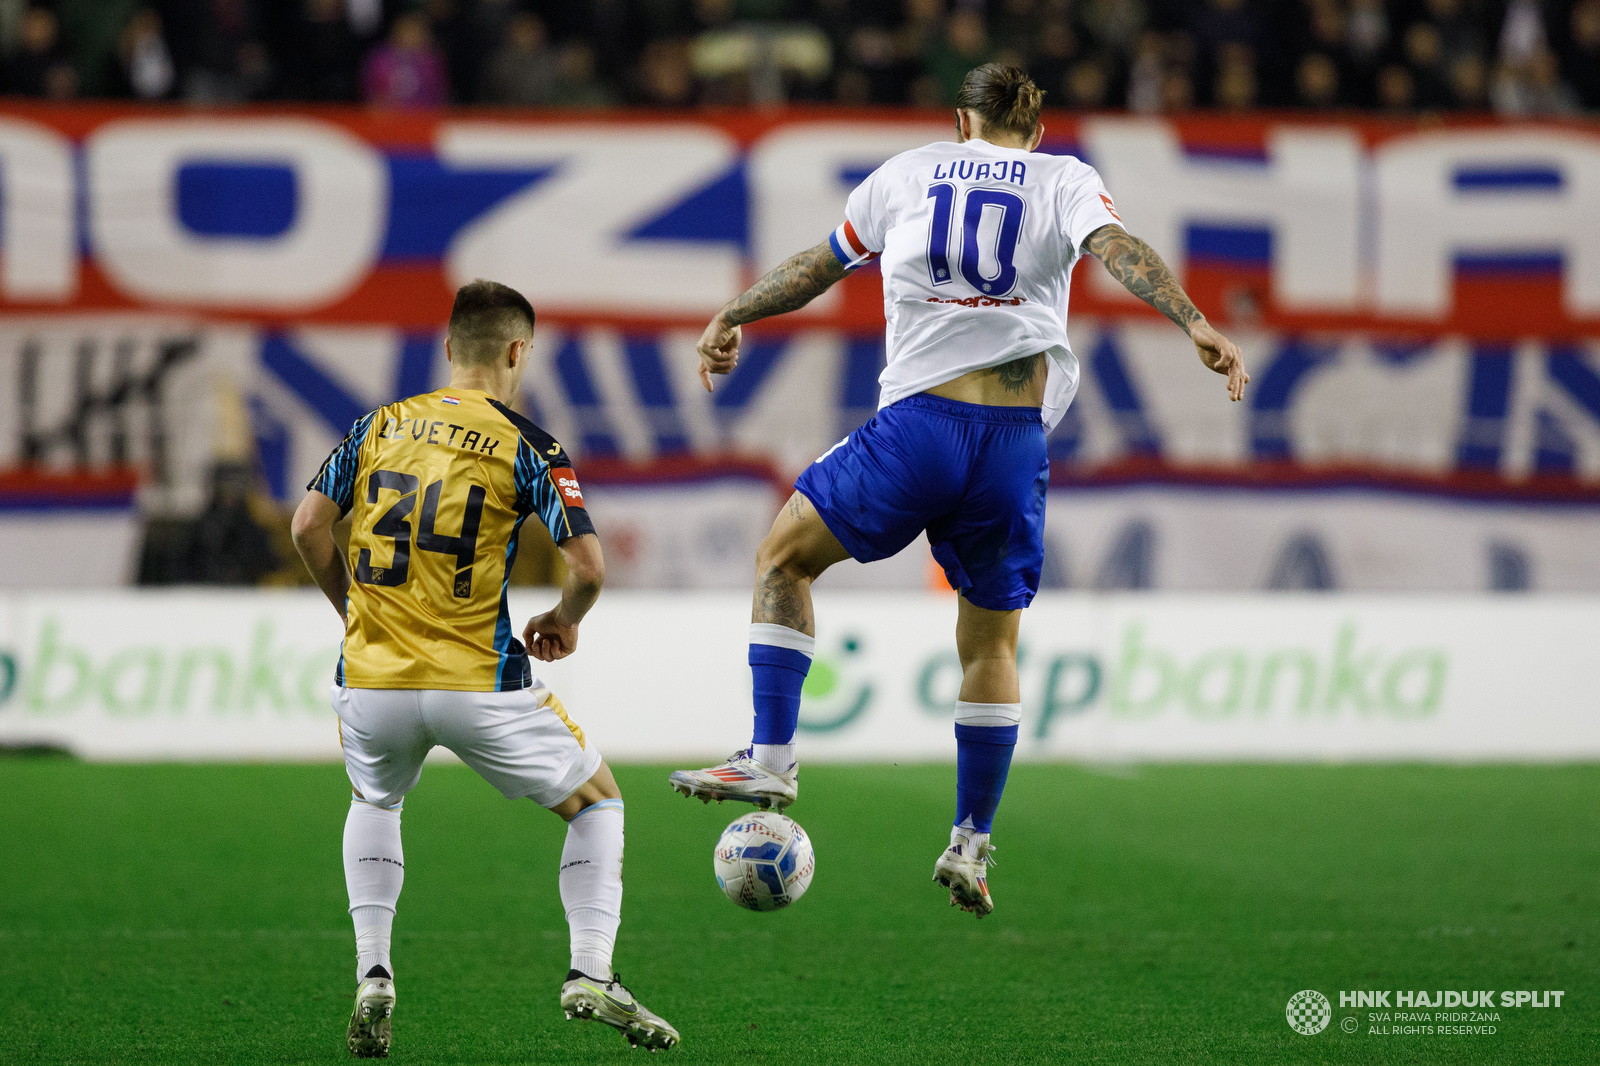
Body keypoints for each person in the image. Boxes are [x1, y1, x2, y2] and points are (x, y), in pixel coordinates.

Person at [669, 63, 1247, 918]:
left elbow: (819, 266)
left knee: (782, 558)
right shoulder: (1066, 179)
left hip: (921, 430)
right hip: (1014, 444)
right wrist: (1193, 319)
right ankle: (970, 843)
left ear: (960, 122)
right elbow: (1118, 250)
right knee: (990, 645)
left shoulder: (908, 173)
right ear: (1038, 129)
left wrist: (734, 315)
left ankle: (773, 755)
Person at [292, 280, 678, 1057]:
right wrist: (564, 620)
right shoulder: (527, 442)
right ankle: (590, 972)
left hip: (372, 681)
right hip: (476, 683)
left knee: (375, 796)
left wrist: (354, 611)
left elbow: (308, 526)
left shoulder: (378, 425)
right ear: (516, 352)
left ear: (447, 349)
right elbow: (591, 568)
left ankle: (374, 971)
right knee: (599, 804)